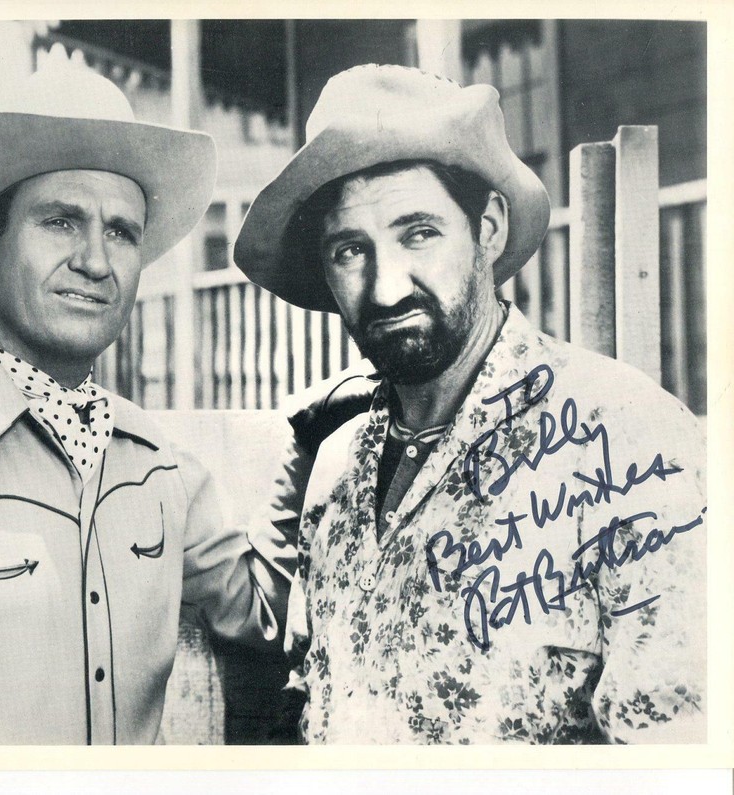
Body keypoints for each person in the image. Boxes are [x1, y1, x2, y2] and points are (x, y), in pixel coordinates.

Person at [0, 62, 290, 745]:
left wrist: (314, 440)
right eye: (61, 221)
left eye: (121, 231)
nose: (95, 259)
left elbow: (270, 615)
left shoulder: (162, 467)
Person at [234, 64, 706, 744]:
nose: (386, 286)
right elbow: (315, 700)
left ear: (487, 229)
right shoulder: (333, 467)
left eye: (418, 233)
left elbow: (678, 758)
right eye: (350, 249)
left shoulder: (629, 442)